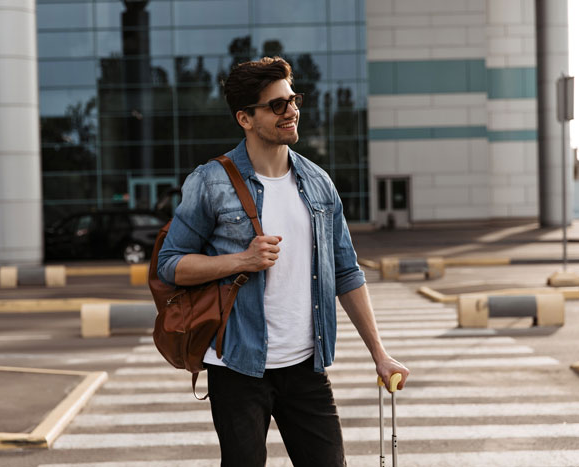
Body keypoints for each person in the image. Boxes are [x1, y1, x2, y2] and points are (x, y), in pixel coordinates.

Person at [157, 56, 409, 467]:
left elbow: (346, 273)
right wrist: (242, 259)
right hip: (238, 367)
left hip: (306, 367)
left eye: (292, 100)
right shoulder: (210, 182)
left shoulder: (319, 184)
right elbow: (170, 264)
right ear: (245, 118)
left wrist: (380, 354)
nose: (291, 111)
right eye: (277, 105)